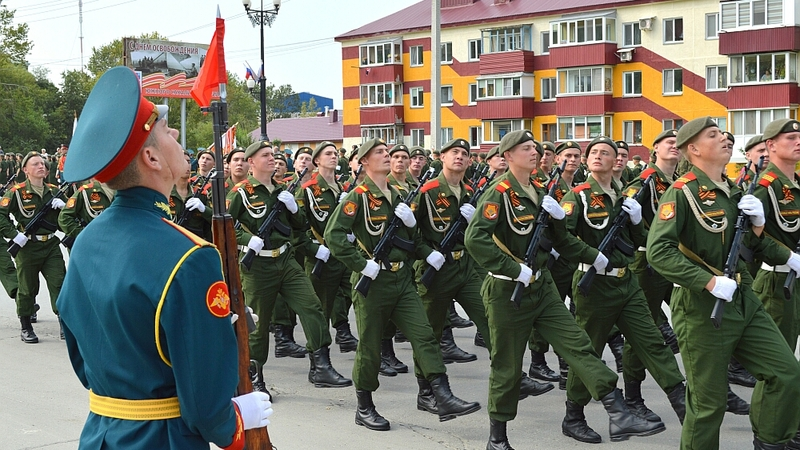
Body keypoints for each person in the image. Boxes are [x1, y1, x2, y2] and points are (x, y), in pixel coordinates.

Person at [55, 66, 272, 449]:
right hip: (163, 438)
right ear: (152, 159)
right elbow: (206, 409)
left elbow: (82, 355)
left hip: (102, 434)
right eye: (166, 130)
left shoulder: (88, 239)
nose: (176, 134)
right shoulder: (190, 256)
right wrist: (237, 420)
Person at [465, 130, 663, 448]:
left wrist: (593, 256)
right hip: (506, 292)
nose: (534, 152)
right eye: (525, 148)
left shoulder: (541, 189)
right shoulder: (498, 193)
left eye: (534, 147)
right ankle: (497, 438)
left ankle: (617, 411)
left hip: (542, 288)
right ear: (508, 157)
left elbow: (561, 239)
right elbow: (474, 239)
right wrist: (514, 269)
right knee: (507, 365)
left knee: (578, 346)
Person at [647, 116, 800, 450]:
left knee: (786, 373)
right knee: (708, 405)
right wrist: (708, 282)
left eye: (724, 134)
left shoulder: (732, 190)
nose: (724, 139)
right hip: (702, 306)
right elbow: (658, 252)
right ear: (693, 149)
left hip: (744, 298)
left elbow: (746, 249)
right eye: (713, 135)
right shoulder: (683, 191)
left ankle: (771, 442)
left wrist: (758, 227)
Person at [325, 138, 481, 430]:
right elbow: (334, 237)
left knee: (424, 336)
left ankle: (441, 393)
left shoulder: (399, 194)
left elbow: (415, 238)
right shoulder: (357, 197)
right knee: (370, 346)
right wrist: (362, 264)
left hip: (402, 280)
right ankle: (365, 405)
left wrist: (427, 252)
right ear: (364, 161)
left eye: (387, 152)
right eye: (379, 153)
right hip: (373, 281)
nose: (386, 156)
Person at [560, 136, 686, 441]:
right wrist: (593, 256)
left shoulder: (624, 195)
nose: (599, 156)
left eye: (607, 152)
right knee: (590, 351)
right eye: (594, 153)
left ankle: (683, 403)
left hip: (626, 281)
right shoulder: (577, 196)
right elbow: (561, 238)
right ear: (588, 161)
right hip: (594, 284)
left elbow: (643, 237)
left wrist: (636, 219)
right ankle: (573, 415)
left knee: (651, 340)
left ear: (617, 159)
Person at [227, 140, 351, 396]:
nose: (272, 159)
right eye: (265, 155)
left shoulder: (283, 190)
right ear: (252, 162)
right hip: (257, 265)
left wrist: (294, 209)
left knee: (312, 306)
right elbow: (225, 227)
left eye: (273, 155)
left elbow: (299, 225)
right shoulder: (241, 192)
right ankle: (254, 376)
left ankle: (320, 366)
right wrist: (246, 239)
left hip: (285, 260)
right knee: (258, 325)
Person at [0, 151, 68, 343]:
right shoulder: (16, 192)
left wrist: (64, 208)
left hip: (51, 245)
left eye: (43, 164)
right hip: (27, 248)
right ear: (25, 170)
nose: (41, 166)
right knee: (27, 289)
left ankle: (64, 323)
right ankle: (26, 326)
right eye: (35, 164)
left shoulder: (55, 191)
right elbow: (1, 215)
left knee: (59, 283)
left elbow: (68, 218)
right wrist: (15, 235)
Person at [298, 141, 358, 353]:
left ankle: (342, 331)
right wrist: (314, 249)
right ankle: (318, 357)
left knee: (352, 293)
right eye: (328, 154)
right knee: (320, 308)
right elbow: (299, 226)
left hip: (342, 255)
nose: (334, 156)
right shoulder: (308, 190)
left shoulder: (342, 189)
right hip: (321, 257)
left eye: (335, 153)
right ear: (317, 161)